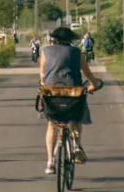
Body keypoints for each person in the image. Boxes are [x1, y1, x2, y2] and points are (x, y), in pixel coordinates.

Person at [39, 25, 101, 172]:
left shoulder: (45, 51)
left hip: (51, 93)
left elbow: (42, 74)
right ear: (69, 39)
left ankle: (50, 162)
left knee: (52, 125)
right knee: (77, 118)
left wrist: (45, 85)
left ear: (54, 39)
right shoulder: (77, 52)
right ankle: (77, 146)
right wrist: (95, 84)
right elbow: (87, 73)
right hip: (73, 93)